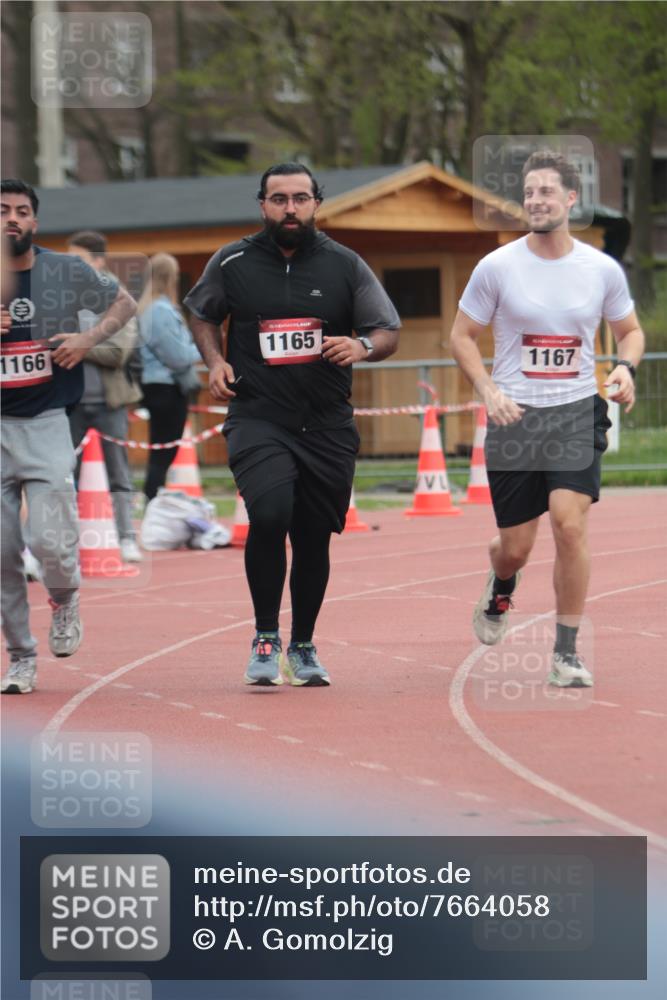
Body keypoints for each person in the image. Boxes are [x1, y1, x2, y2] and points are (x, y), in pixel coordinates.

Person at [184, 162, 400, 688]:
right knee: (270, 512)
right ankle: (265, 636)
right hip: (258, 416)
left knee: (312, 535)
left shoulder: (345, 264)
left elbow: (386, 329)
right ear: (262, 204)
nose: (290, 208)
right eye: (279, 199)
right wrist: (215, 360)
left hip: (326, 424)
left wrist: (362, 346)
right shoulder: (232, 260)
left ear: (316, 203)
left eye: (300, 198)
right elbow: (202, 313)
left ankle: (302, 644)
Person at [450, 150, 645, 688]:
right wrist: (488, 389)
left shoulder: (599, 269)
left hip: (577, 412)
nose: (536, 201)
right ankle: (501, 585)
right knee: (515, 548)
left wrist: (625, 366)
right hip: (515, 416)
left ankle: (566, 652)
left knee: (568, 524)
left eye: (546, 192)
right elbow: (461, 337)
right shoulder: (498, 266)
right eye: (529, 193)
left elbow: (630, 331)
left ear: (571, 199)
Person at [1, 179, 137, 694]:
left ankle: (64, 597)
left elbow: (124, 303)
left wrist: (87, 338)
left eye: (22, 211)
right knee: (2, 553)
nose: (12, 219)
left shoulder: (64, 270)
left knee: (49, 542)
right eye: (3, 210)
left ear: (34, 222)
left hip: (45, 421)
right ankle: (20, 657)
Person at [66, 230, 143, 563]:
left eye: (79, 260)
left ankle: (126, 537)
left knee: (118, 474)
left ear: (98, 262)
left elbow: (117, 353)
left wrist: (76, 343)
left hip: (109, 402)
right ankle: (67, 541)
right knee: (64, 476)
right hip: (69, 404)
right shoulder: (61, 297)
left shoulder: (118, 298)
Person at [137, 253, 202, 502]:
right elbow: (177, 356)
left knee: (162, 451)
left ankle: (154, 500)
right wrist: (205, 349)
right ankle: (153, 500)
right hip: (166, 387)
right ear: (170, 278)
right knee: (164, 452)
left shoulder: (149, 309)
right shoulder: (160, 310)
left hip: (158, 386)